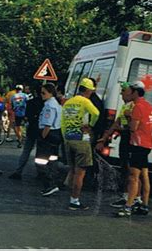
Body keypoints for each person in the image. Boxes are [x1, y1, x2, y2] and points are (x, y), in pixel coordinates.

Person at [116, 81, 152, 217]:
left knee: (133, 176)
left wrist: (127, 120)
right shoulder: (148, 105)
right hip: (147, 143)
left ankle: (128, 206)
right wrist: (148, 128)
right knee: (144, 175)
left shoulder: (137, 107)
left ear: (135, 92)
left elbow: (133, 128)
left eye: (131, 91)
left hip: (137, 144)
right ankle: (144, 205)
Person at [96, 82, 142, 208]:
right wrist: (104, 138)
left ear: (132, 93)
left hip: (131, 140)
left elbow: (133, 126)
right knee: (125, 169)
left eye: (124, 91)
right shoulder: (126, 106)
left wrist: (125, 130)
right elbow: (117, 123)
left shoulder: (135, 106)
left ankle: (135, 198)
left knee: (132, 171)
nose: (121, 93)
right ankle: (129, 196)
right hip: (125, 140)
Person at [61, 78, 99, 210]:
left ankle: (71, 196)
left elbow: (63, 123)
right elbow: (96, 113)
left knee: (72, 169)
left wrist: (65, 138)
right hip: (81, 140)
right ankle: (74, 201)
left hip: (68, 139)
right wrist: (90, 126)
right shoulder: (85, 101)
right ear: (88, 91)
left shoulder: (68, 102)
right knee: (80, 173)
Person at [8, 84, 44, 180]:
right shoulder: (46, 102)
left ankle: (18, 171)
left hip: (31, 129)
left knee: (26, 151)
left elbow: (27, 116)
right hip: (43, 130)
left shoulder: (31, 102)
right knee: (40, 152)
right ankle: (41, 173)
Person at [37, 83, 63, 196]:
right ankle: (53, 183)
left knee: (40, 162)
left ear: (51, 93)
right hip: (56, 134)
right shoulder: (56, 104)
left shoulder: (49, 106)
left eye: (44, 93)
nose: (41, 95)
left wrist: (42, 137)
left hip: (48, 134)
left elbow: (48, 124)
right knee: (52, 161)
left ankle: (49, 185)